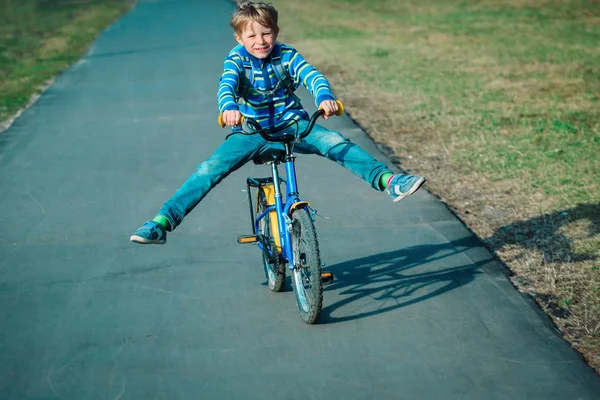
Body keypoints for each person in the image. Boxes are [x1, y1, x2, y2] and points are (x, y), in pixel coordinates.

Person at [130, 1, 425, 244]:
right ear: (239, 38)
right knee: (209, 169)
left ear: (276, 32)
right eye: (252, 36)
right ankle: (162, 222)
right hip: (251, 131)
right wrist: (229, 108)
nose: (260, 42)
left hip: (292, 125)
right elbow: (227, 86)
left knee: (336, 143)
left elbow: (312, 76)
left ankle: (390, 182)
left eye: (266, 34)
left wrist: (324, 98)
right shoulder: (236, 60)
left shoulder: (287, 55)